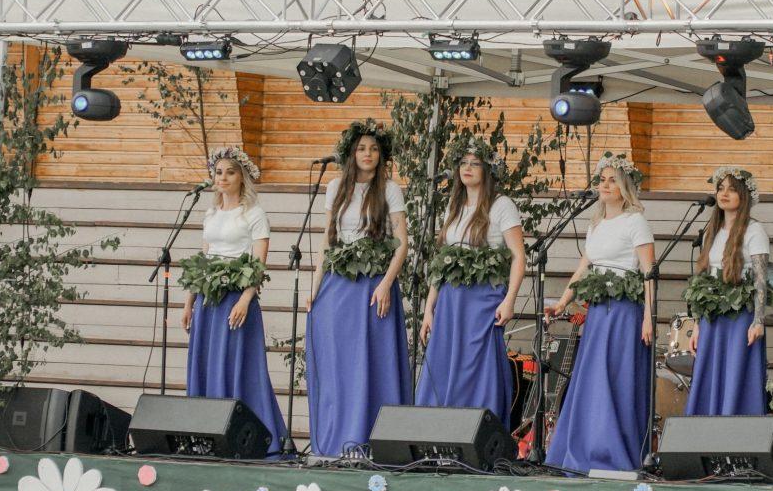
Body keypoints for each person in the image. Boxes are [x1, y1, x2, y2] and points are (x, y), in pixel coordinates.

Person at [543, 152, 655, 473]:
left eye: (612, 181)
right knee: (591, 379)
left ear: (624, 187)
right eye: (602, 180)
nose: (605, 185)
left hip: (624, 313)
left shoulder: (635, 222)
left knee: (615, 379)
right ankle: (584, 449)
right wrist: (562, 302)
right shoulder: (595, 225)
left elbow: (649, 274)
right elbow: (583, 269)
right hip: (598, 314)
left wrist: (649, 317)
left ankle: (613, 453)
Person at [306, 119, 410, 458]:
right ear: (351, 153)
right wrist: (315, 286)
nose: (368, 154)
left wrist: (385, 284)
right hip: (338, 287)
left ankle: (370, 438)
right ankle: (337, 438)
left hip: (372, 286)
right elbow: (327, 240)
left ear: (382, 155)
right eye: (362, 148)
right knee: (339, 364)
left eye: (374, 149)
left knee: (370, 362)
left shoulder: (390, 190)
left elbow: (402, 244)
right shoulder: (335, 187)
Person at [181, 147, 287, 456]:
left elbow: (258, 263)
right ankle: (205, 437)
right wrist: (189, 302)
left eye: (230, 172)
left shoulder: (254, 214)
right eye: (218, 172)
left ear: (242, 177)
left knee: (236, 366)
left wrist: (245, 298)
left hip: (236, 300)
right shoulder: (211, 214)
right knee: (207, 362)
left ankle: (251, 438)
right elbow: (204, 258)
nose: (223, 177)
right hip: (207, 301)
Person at [415, 137, 526, 428]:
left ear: (487, 169)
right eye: (463, 163)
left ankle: (478, 429)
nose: (467, 168)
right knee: (444, 362)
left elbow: (519, 256)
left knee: (476, 365)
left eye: (475, 163)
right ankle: (438, 431)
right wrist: (429, 309)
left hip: (482, 300)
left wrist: (509, 300)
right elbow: (443, 261)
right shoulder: (454, 205)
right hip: (451, 301)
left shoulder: (501, 205)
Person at [683, 166, 770, 416]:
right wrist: (697, 324)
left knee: (736, 375)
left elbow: (761, 280)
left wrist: (758, 321)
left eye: (732, 189)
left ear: (744, 195)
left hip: (739, 316)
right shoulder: (712, 231)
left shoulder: (754, 231)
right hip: (712, 317)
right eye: (720, 188)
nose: (724, 193)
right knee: (709, 375)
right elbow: (705, 278)